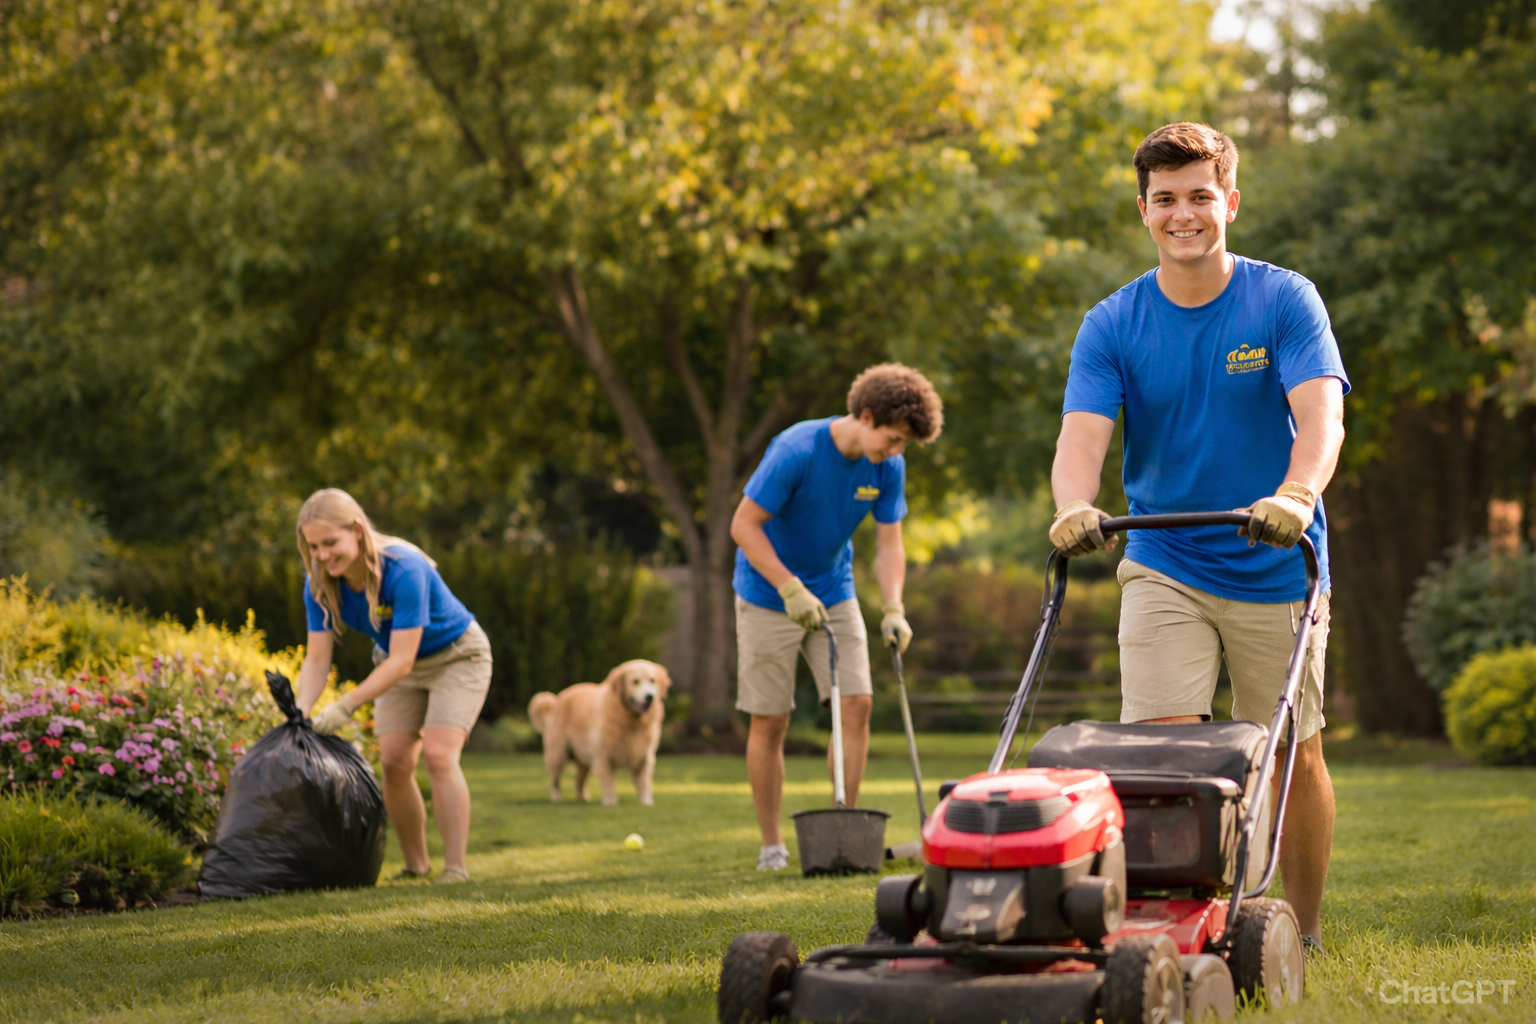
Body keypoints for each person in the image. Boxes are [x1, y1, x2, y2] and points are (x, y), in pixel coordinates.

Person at [1049, 123, 1347, 952]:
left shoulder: (1284, 300)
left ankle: (1305, 930)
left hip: (1278, 560)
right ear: (1143, 210)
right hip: (1163, 558)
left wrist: (1295, 492)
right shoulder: (1112, 323)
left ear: (1231, 202)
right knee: (1171, 760)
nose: (1185, 214)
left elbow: (1322, 416)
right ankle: (1192, 931)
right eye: (1166, 200)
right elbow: (1081, 441)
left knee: (1291, 754)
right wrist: (1075, 505)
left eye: (1200, 196)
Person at [730, 363, 943, 871]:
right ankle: (772, 847)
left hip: (834, 590)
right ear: (865, 415)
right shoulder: (796, 450)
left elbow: (889, 542)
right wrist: (788, 588)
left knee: (858, 703)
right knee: (771, 719)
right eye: (891, 439)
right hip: (767, 593)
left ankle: (842, 831)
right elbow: (743, 525)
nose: (895, 451)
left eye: (903, 445)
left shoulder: (887, 467)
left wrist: (893, 606)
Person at [294, 488, 493, 885]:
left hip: (457, 657)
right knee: (394, 761)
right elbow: (317, 659)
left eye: (330, 543)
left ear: (357, 530)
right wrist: (300, 712)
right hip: (397, 663)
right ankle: (416, 865)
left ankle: (455, 868)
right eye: (313, 546)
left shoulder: (404, 568)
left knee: (438, 754)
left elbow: (403, 658)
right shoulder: (319, 584)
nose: (321, 555)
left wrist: (344, 705)